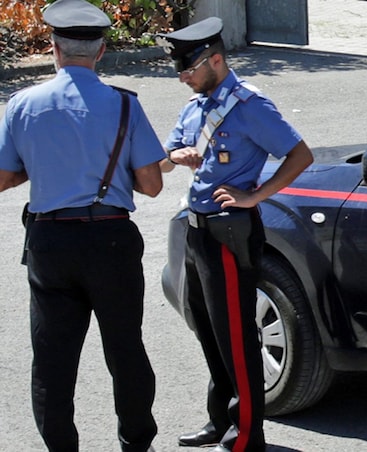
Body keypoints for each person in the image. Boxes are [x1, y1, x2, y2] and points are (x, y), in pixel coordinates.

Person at [0, 0, 164, 451]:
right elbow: (151, 186)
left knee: (52, 358)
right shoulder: (125, 106)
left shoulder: (22, 104)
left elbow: (3, 177)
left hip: (50, 239)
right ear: (101, 50)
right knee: (125, 348)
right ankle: (135, 443)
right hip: (110, 236)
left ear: (53, 48)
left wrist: (51, 164)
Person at [157, 17, 314, 452]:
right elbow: (166, 156)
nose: (183, 78)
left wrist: (257, 195)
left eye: (188, 70)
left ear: (216, 60)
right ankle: (219, 419)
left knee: (236, 335)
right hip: (196, 230)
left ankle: (246, 435)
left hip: (229, 232)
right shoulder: (195, 105)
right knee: (207, 329)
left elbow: (300, 154)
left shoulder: (251, 106)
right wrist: (176, 155)